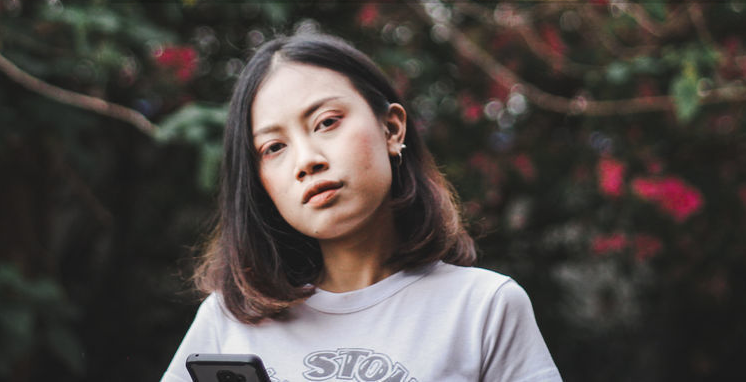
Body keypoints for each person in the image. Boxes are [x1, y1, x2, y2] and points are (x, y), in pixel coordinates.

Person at [160, 30, 562, 382]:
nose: (306, 161)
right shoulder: (228, 320)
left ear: (391, 128)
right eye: (274, 147)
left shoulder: (484, 308)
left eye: (327, 122)